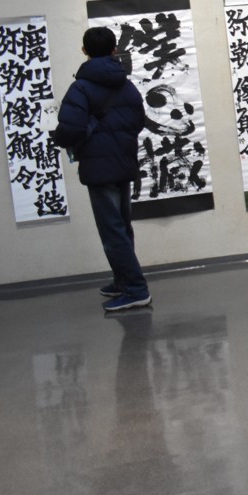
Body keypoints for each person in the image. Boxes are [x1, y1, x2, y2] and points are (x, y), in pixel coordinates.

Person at [51, 26, 151, 312]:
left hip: (99, 166)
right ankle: (123, 281)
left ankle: (136, 289)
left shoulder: (81, 88)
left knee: (112, 231)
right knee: (122, 226)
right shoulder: (126, 85)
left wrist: (65, 139)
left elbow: (70, 129)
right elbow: (139, 121)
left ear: (84, 51)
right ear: (114, 50)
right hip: (124, 162)